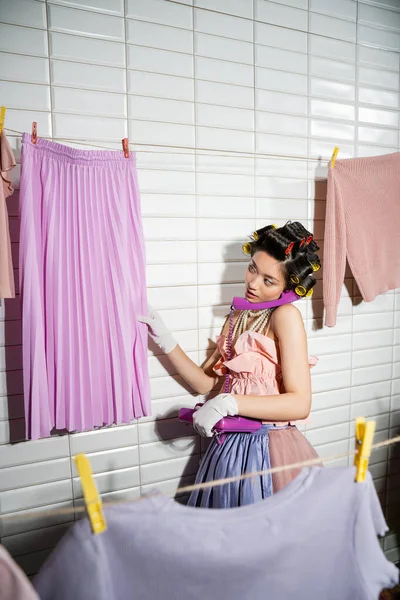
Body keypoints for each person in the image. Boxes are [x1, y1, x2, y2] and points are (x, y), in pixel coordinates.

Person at [139, 222, 321, 508]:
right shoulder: (236, 318)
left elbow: (300, 404)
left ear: (288, 286)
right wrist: (162, 336)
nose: (252, 283)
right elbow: (205, 384)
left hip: (269, 448)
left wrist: (229, 403)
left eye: (268, 280)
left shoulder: (285, 316)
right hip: (230, 448)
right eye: (252, 268)